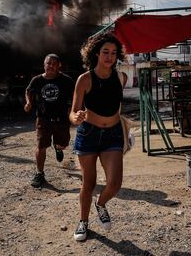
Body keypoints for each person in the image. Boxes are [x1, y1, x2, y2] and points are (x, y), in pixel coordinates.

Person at [69, 33, 127, 241]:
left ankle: (100, 204)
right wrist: (77, 116)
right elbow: (73, 111)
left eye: (113, 53)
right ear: (96, 53)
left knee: (115, 183)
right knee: (89, 183)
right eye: (105, 52)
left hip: (113, 135)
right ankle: (83, 222)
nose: (110, 57)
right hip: (89, 134)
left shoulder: (121, 77)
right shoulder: (84, 79)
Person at [24, 53, 74, 188]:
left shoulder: (67, 80)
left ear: (59, 66)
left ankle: (58, 148)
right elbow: (29, 90)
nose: (51, 66)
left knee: (61, 144)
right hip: (43, 119)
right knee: (41, 146)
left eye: (54, 64)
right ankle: (39, 173)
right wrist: (29, 102)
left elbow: (74, 96)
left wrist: (71, 110)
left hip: (62, 119)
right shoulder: (37, 80)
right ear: (44, 65)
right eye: (48, 63)